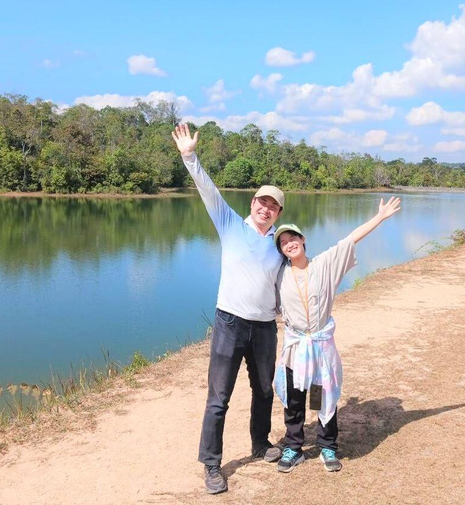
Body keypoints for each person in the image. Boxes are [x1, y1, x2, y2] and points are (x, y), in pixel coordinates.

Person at [171, 123, 284, 495]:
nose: (265, 209)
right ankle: (211, 464)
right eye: (261, 202)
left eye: (272, 206)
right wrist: (189, 156)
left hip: (265, 327)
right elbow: (208, 189)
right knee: (219, 398)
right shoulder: (230, 223)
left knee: (264, 390)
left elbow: (292, 282)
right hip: (230, 323)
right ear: (252, 203)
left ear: (278, 212)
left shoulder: (281, 245)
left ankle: (260, 443)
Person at [272, 196, 402, 473]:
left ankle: (327, 445)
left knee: (322, 395)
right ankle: (293, 447)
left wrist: (379, 217)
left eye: (292, 238)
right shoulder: (279, 275)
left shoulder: (324, 264)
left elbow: (351, 238)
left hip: (319, 347)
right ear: (281, 250)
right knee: (294, 399)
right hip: (295, 347)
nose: (289, 244)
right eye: (283, 242)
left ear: (303, 239)